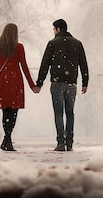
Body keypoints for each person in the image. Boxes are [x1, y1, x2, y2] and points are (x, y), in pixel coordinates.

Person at [33, 19, 89, 152]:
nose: (53, 32)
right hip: (72, 84)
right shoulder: (77, 43)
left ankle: (61, 142)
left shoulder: (53, 43)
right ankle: (69, 142)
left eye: (54, 29)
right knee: (70, 113)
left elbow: (45, 64)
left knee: (58, 113)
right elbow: (83, 64)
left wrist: (39, 83)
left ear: (58, 29)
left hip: (57, 83)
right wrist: (85, 83)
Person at [0, 23, 37, 151]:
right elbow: (24, 67)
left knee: (5, 111)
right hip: (15, 81)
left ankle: (7, 139)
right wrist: (32, 85)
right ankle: (8, 139)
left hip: (2, 83)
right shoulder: (19, 47)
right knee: (13, 112)